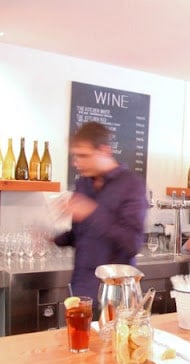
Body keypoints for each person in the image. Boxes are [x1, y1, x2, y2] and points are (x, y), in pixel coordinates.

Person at [54, 122, 148, 307]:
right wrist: (53, 238)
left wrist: (92, 211)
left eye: (83, 155)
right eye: (75, 156)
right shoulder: (83, 183)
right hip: (81, 290)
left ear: (105, 150)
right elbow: (80, 235)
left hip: (116, 295)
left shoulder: (131, 185)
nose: (76, 162)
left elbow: (132, 243)